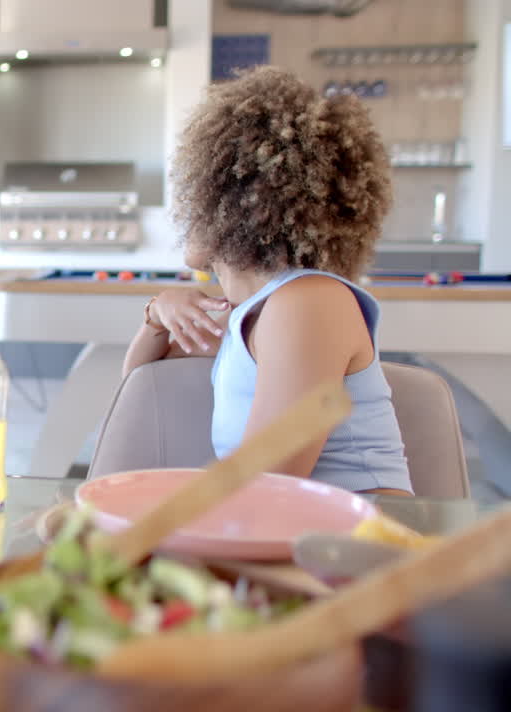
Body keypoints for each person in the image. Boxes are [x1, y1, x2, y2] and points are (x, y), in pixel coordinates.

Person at [122, 66, 411, 495]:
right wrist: (156, 317)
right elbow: (141, 386)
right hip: (287, 525)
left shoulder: (308, 302)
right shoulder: (252, 313)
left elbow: (270, 481)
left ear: (234, 201)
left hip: (354, 532)